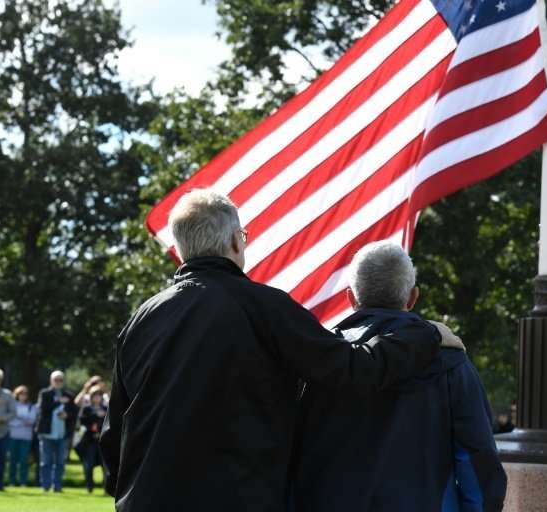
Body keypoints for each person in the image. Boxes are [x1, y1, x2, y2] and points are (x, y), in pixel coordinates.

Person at [100, 189, 460, 512]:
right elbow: (353, 368)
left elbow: (114, 435)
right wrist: (425, 335)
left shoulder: (141, 320)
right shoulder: (267, 308)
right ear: (236, 243)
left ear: (179, 249)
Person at [292, 241, 507, 512]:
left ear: (350, 298)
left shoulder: (321, 361)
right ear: (413, 296)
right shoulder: (451, 362)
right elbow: (477, 459)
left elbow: (294, 458)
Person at [36, 370, 78, 492]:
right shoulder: (44, 393)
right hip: (47, 433)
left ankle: (57, 486)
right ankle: (45, 486)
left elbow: (74, 413)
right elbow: (43, 410)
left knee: (60, 462)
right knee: (45, 461)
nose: (58, 382)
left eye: (60, 380)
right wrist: (58, 401)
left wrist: (67, 415)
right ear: (51, 381)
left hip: (62, 434)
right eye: (56, 380)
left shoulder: (69, 395)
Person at [76, 386, 107, 493]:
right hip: (89, 441)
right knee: (89, 465)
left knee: (105, 466)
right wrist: (95, 416)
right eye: (95, 396)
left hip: (103, 441)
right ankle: (89, 487)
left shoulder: (106, 408)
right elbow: (82, 421)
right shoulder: (86, 409)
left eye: (99, 396)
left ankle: (106, 488)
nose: (97, 398)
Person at [7, 385, 38, 486]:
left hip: (26, 437)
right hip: (13, 436)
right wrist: (22, 421)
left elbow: (32, 420)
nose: (23, 396)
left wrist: (20, 420)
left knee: (23, 460)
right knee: (13, 460)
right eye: (21, 394)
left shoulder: (31, 407)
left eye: (25, 394)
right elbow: (11, 421)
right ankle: (11, 481)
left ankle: (23, 481)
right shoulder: (13, 406)